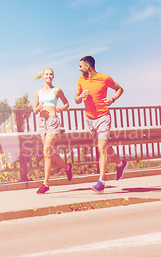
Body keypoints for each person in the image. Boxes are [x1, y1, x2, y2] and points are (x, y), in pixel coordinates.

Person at [74, 56, 128, 193]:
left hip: (103, 117)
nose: (79, 68)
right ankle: (120, 164)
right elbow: (76, 100)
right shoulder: (81, 80)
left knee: (101, 149)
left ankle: (101, 182)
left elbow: (120, 89)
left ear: (88, 67)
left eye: (81, 66)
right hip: (90, 119)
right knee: (103, 147)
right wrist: (81, 96)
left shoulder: (104, 78)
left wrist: (112, 99)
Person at [33, 68, 73, 194]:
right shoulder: (38, 92)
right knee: (48, 153)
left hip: (53, 121)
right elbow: (33, 111)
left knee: (46, 151)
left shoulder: (57, 90)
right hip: (42, 123)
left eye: (51, 74)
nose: (49, 76)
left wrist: (61, 108)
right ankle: (67, 167)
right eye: (47, 74)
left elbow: (67, 104)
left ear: (53, 76)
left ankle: (45, 184)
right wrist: (38, 109)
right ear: (43, 77)